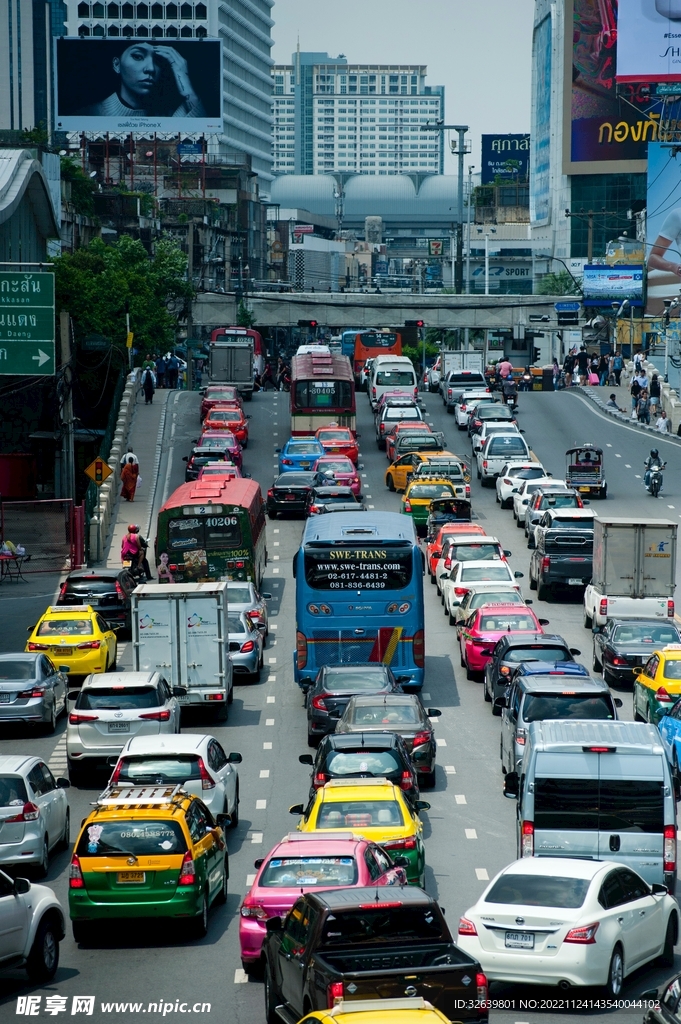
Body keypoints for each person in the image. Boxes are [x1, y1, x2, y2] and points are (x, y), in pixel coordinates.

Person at [77, 42, 207, 119]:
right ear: (117, 64)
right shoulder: (87, 114)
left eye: (157, 60)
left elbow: (200, 125)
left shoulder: (168, 117)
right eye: (138, 56)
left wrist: (182, 76)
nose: (150, 68)